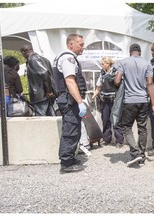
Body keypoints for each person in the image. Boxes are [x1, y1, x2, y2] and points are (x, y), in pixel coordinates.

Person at [114, 43, 154, 167]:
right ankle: (142, 156)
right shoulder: (147, 63)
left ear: (130, 52)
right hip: (144, 101)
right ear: (139, 52)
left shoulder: (123, 62)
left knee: (126, 127)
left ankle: (134, 152)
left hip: (129, 100)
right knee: (142, 128)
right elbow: (150, 84)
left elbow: (117, 81)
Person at [52, 33, 87, 173]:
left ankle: (70, 157)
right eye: (81, 44)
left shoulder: (62, 56)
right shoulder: (68, 58)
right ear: (71, 44)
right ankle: (66, 163)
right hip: (69, 99)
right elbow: (70, 81)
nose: (83, 47)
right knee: (71, 130)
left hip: (66, 98)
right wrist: (80, 102)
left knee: (73, 128)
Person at [92, 56, 124, 148]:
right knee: (105, 120)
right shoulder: (102, 74)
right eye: (101, 64)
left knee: (116, 120)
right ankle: (107, 139)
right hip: (105, 99)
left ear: (108, 63)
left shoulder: (116, 72)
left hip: (114, 100)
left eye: (103, 64)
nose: (101, 65)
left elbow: (120, 86)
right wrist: (93, 97)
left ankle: (119, 141)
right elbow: (98, 87)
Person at [20, 44, 56, 116]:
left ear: (24, 53)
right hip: (44, 94)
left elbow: (45, 73)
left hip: (40, 95)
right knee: (50, 116)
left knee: (41, 117)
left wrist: (49, 91)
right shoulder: (43, 59)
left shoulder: (33, 59)